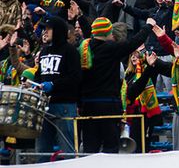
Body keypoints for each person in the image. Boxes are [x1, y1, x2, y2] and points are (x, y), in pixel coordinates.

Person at [78, 16, 153, 153]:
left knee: (90, 148)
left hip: (87, 106)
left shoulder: (84, 48)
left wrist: (81, 18)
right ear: (108, 32)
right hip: (108, 105)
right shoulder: (111, 48)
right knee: (111, 147)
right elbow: (133, 42)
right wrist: (148, 26)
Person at [33, 16, 81, 158]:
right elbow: (39, 74)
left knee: (67, 148)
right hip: (44, 105)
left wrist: (54, 85)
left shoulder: (70, 51)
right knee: (42, 149)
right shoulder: (44, 51)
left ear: (58, 31)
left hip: (64, 105)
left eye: (48, 29)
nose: (44, 32)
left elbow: (75, 77)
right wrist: (34, 84)